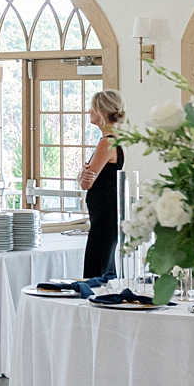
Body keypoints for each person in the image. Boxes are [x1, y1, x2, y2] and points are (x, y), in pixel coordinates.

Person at [78, 89, 126, 278]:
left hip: (105, 214)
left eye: (92, 108)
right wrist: (84, 173)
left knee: (96, 267)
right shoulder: (117, 140)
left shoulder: (107, 143)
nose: (89, 111)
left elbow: (86, 183)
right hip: (108, 213)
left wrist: (83, 173)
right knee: (104, 265)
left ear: (102, 112)